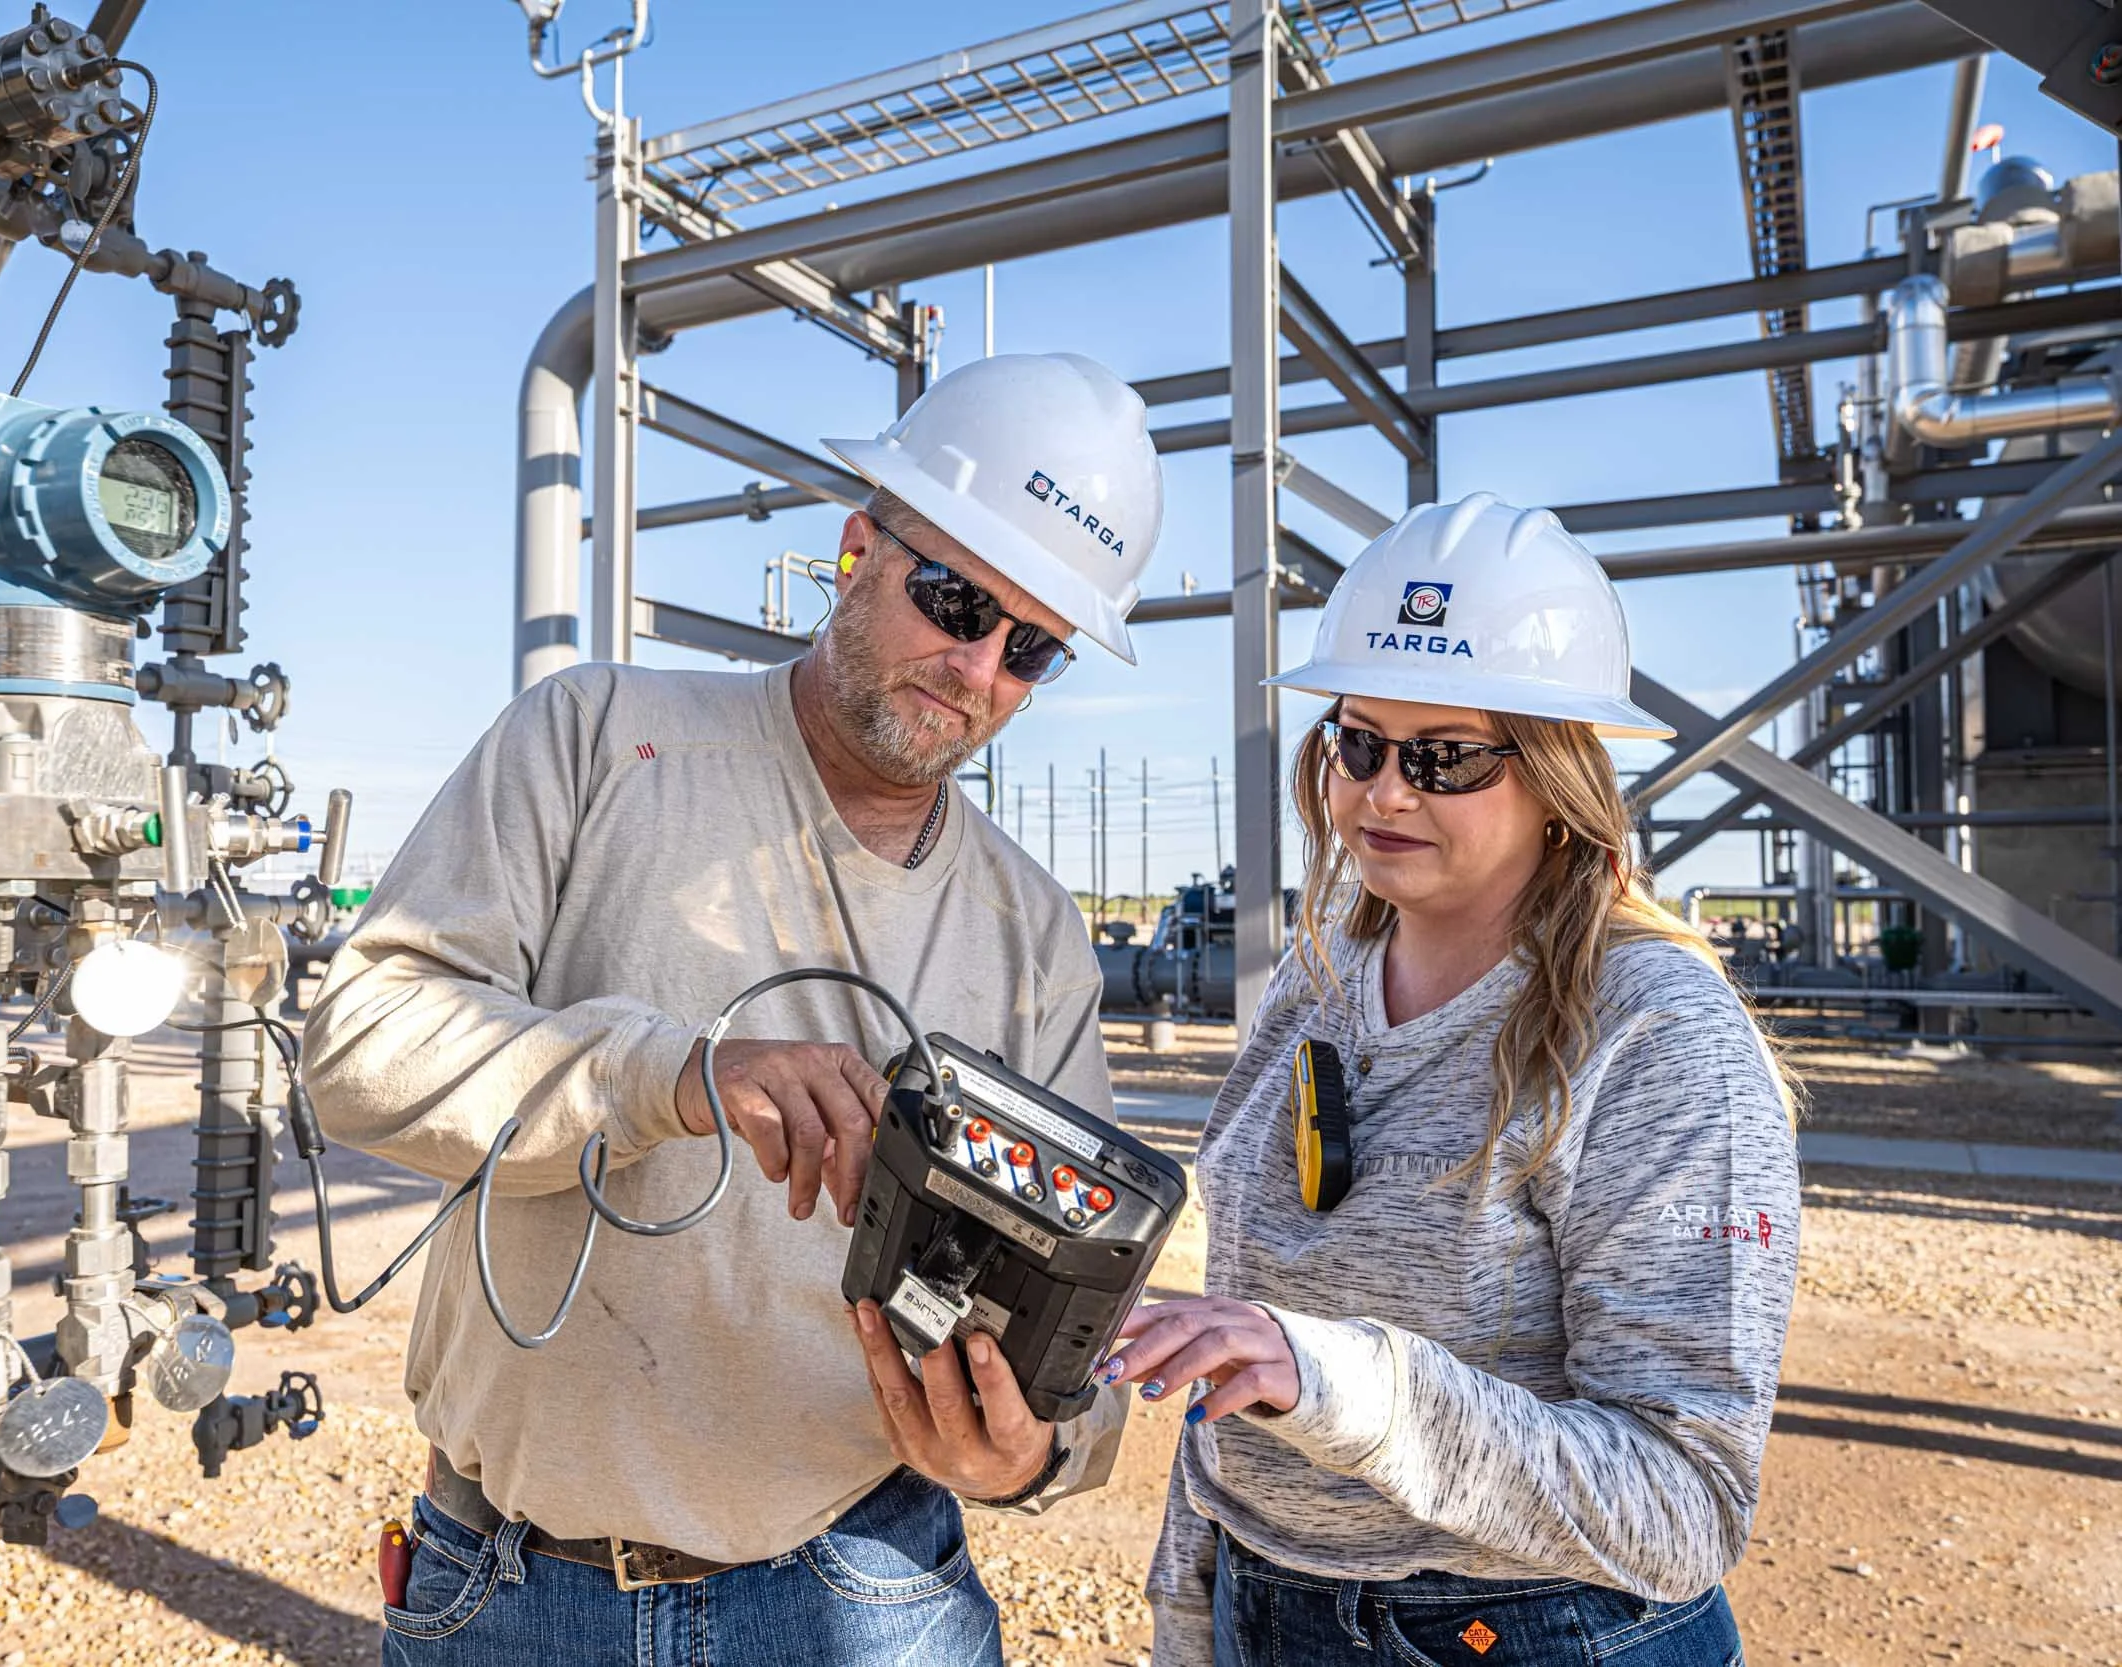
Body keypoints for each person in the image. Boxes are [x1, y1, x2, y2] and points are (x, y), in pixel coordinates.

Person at [302, 352, 1166, 1666]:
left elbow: (1077, 1299)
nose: (976, 665)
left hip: (864, 1581)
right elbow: (358, 1046)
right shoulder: (598, 739)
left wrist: (1036, 1444)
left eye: (1031, 646)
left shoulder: (1029, 928)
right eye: (954, 597)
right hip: (517, 1584)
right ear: (857, 547)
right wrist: (671, 1073)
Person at [1106, 495, 1799, 1667]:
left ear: (1556, 777)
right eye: (1359, 741)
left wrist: (1348, 1382)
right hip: (1269, 1602)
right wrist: (1194, 1602)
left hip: (1530, 1629)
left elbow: (1684, 1499)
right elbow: (1248, 1341)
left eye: (1444, 757)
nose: (1383, 791)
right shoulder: (1319, 983)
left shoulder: (1654, 1035)